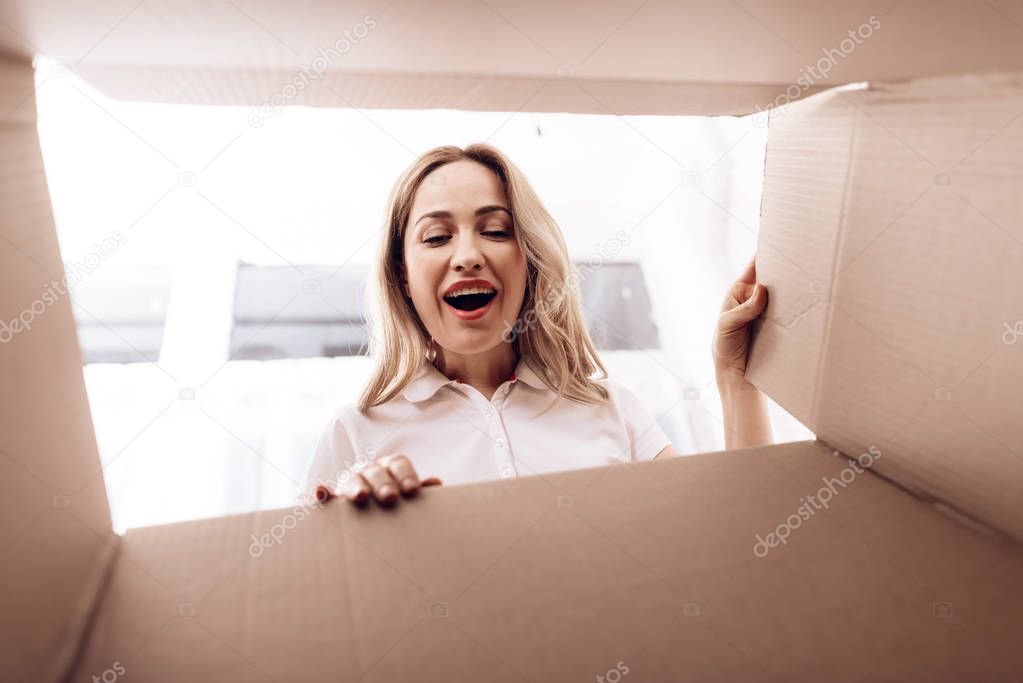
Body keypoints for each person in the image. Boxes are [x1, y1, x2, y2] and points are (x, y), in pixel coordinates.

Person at [301, 143, 772, 507]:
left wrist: (737, 378)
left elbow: (733, 540)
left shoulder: (613, 411)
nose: (468, 256)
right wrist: (352, 529)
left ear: (528, 262)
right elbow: (312, 597)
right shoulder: (355, 434)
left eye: (495, 230)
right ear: (402, 276)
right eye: (438, 237)